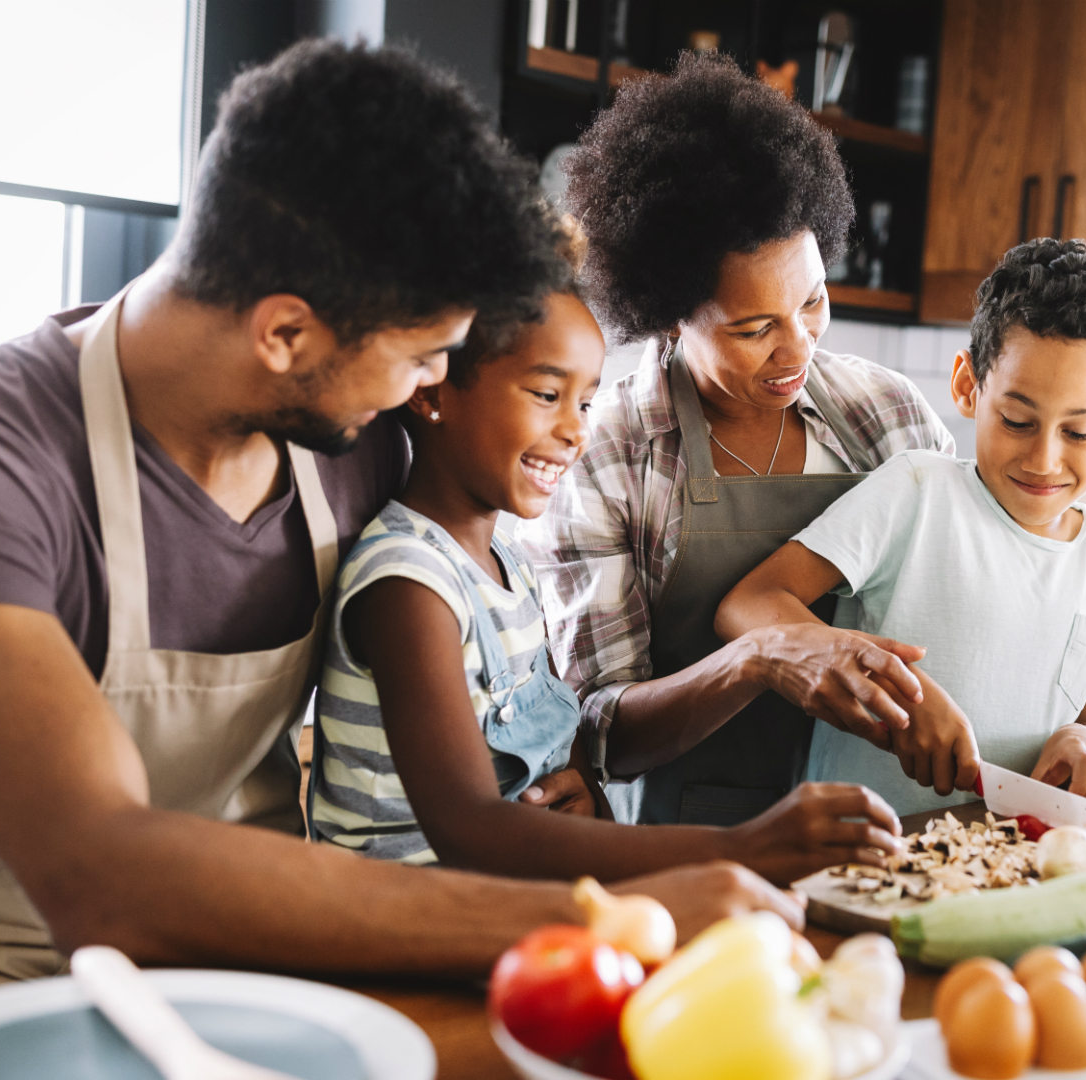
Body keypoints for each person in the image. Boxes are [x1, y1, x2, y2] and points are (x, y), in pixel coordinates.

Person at [0, 41, 794, 1008]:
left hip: (261, 987)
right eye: (425, 356)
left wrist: (548, 784)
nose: (434, 387)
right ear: (286, 334)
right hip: (6, 998)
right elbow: (102, 877)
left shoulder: (356, 440)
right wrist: (604, 912)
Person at [308, 235, 903, 882]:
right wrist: (739, 851)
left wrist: (579, 785)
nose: (576, 430)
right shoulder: (410, 585)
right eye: (546, 395)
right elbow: (472, 830)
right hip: (401, 921)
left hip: (495, 902)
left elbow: (544, 761)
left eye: (585, 401)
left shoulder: (506, 564)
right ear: (432, 393)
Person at [522, 51, 963, 828]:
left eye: (814, 303)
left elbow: (976, 608)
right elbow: (600, 732)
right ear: (669, 314)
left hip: (886, 829)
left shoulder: (887, 416)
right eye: (755, 328)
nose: (798, 349)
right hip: (688, 842)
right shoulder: (609, 451)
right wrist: (759, 659)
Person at [716, 239, 1086, 816]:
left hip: (1009, 870)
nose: (1045, 460)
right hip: (861, 859)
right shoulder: (916, 493)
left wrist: (1085, 743)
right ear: (968, 386)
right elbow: (748, 605)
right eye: (1017, 420)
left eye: (1078, 432)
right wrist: (895, 687)